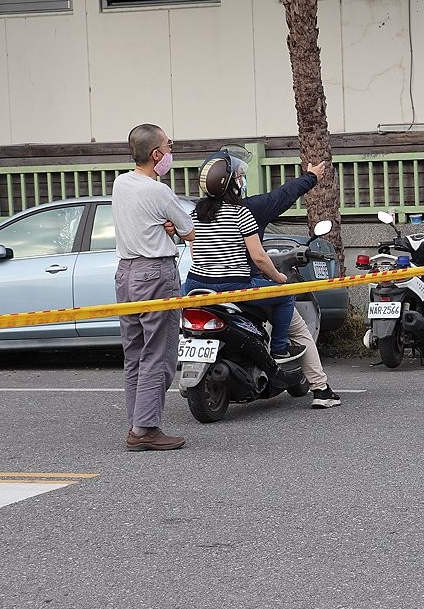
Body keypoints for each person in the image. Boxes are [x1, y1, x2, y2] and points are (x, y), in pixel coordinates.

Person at [112, 124, 195, 452]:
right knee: (159, 353)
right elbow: (188, 230)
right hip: (155, 274)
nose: (171, 152)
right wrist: (172, 228)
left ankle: (137, 422)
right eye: (168, 146)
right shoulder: (159, 191)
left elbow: (143, 221)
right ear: (156, 154)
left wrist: (163, 227)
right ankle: (145, 429)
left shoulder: (121, 183)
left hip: (125, 274)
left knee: (134, 352)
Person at [240, 157, 343, 409]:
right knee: (295, 321)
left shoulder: (198, 213)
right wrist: (311, 177)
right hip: (242, 285)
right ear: (235, 182)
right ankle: (319, 387)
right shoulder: (246, 210)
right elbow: (282, 196)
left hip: (201, 288)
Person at [181, 152, 296, 361]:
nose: (241, 181)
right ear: (230, 184)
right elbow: (259, 256)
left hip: (195, 284)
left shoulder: (194, 214)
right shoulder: (240, 213)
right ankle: (280, 348)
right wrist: (278, 278)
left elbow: (194, 251)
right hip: (232, 286)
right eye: (238, 177)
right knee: (287, 296)